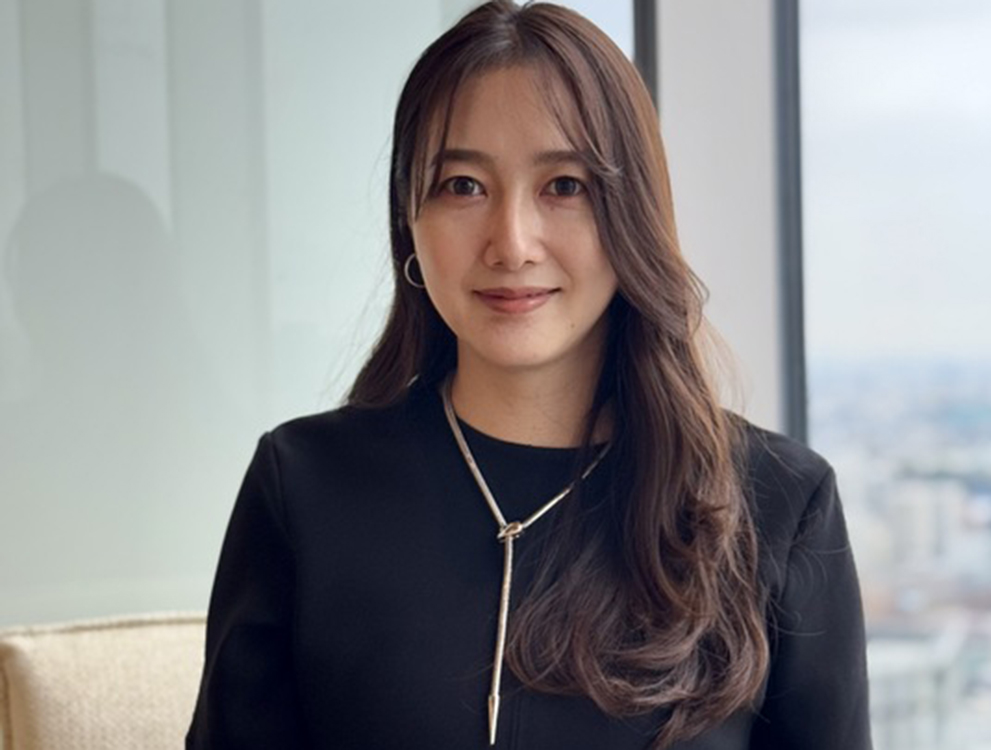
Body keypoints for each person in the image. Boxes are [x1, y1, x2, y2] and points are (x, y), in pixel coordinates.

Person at [186, 2, 871, 748]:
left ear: (632, 216)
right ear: (407, 223)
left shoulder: (778, 505)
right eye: (462, 186)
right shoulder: (305, 489)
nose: (511, 243)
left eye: (565, 186)